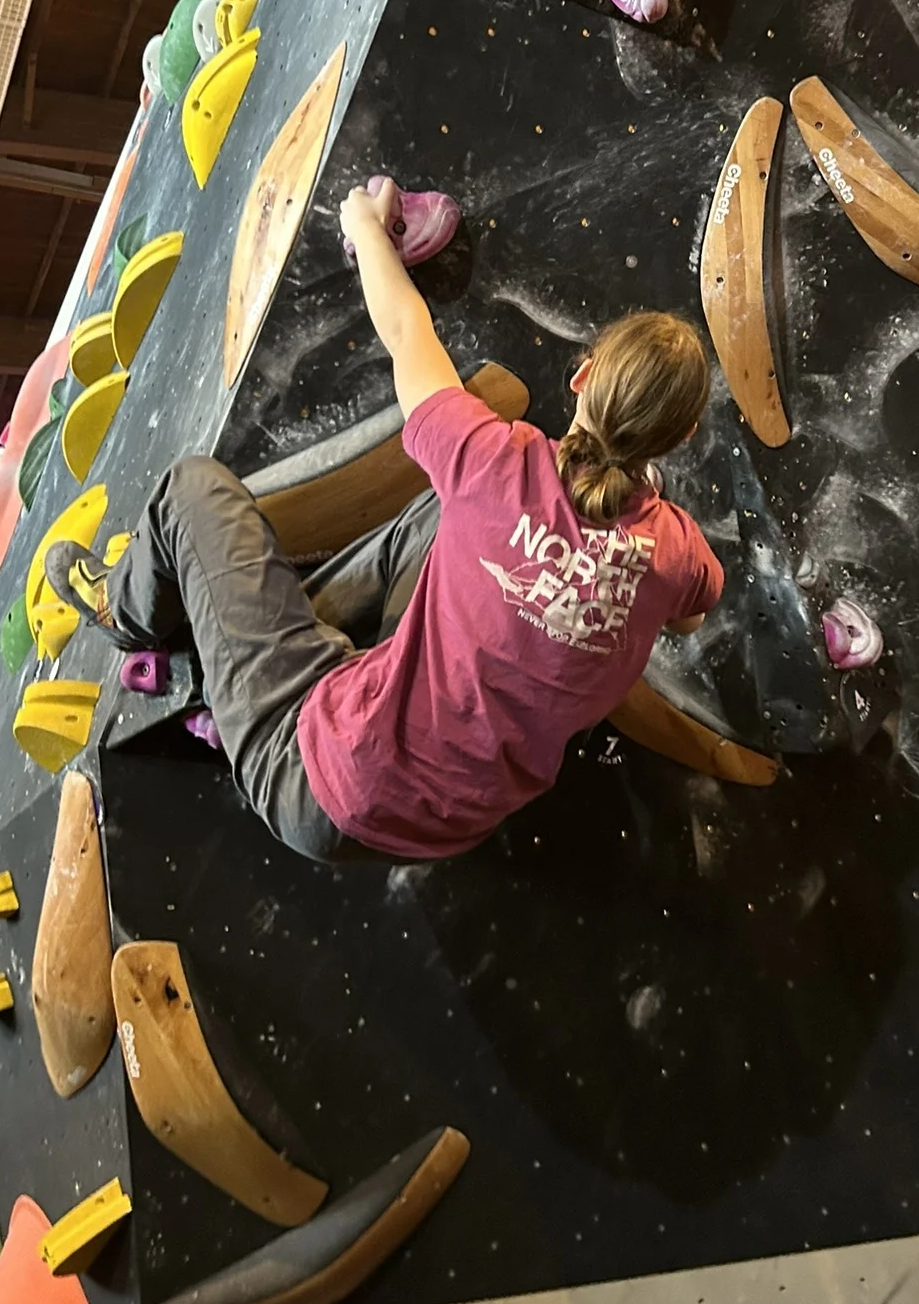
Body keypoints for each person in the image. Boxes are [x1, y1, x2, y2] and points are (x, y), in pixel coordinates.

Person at [46, 178, 726, 863]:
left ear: (581, 379)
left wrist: (367, 228)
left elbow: (406, 332)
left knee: (187, 491)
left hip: (311, 773)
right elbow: (692, 616)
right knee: (443, 515)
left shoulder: (497, 460)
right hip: (443, 829)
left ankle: (126, 612)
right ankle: (261, 661)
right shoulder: (673, 552)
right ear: (683, 434)